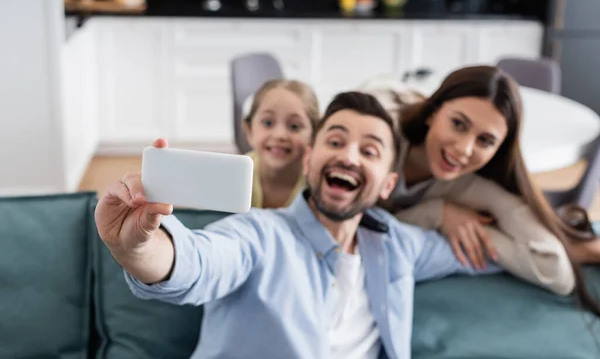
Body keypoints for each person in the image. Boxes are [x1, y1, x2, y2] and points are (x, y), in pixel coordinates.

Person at [95, 92, 508, 359]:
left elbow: (486, 253)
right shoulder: (261, 235)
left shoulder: (399, 244)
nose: (348, 156)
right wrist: (138, 249)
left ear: (388, 184)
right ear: (308, 161)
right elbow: (201, 262)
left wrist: (562, 247)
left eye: (369, 150)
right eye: (335, 141)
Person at [361, 65, 600, 313]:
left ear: (498, 149)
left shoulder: (470, 184)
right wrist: (437, 214)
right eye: (458, 124)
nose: (464, 149)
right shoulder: (377, 139)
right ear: (433, 112)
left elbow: (556, 271)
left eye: (485, 141)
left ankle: (580, 247)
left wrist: (450, 218)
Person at [242, 79, 320, 208]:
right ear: (249, 129)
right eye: (267, 123)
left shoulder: (316, 185)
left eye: (294, 126)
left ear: (314, 135)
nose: (280, 135)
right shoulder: (233, 178)